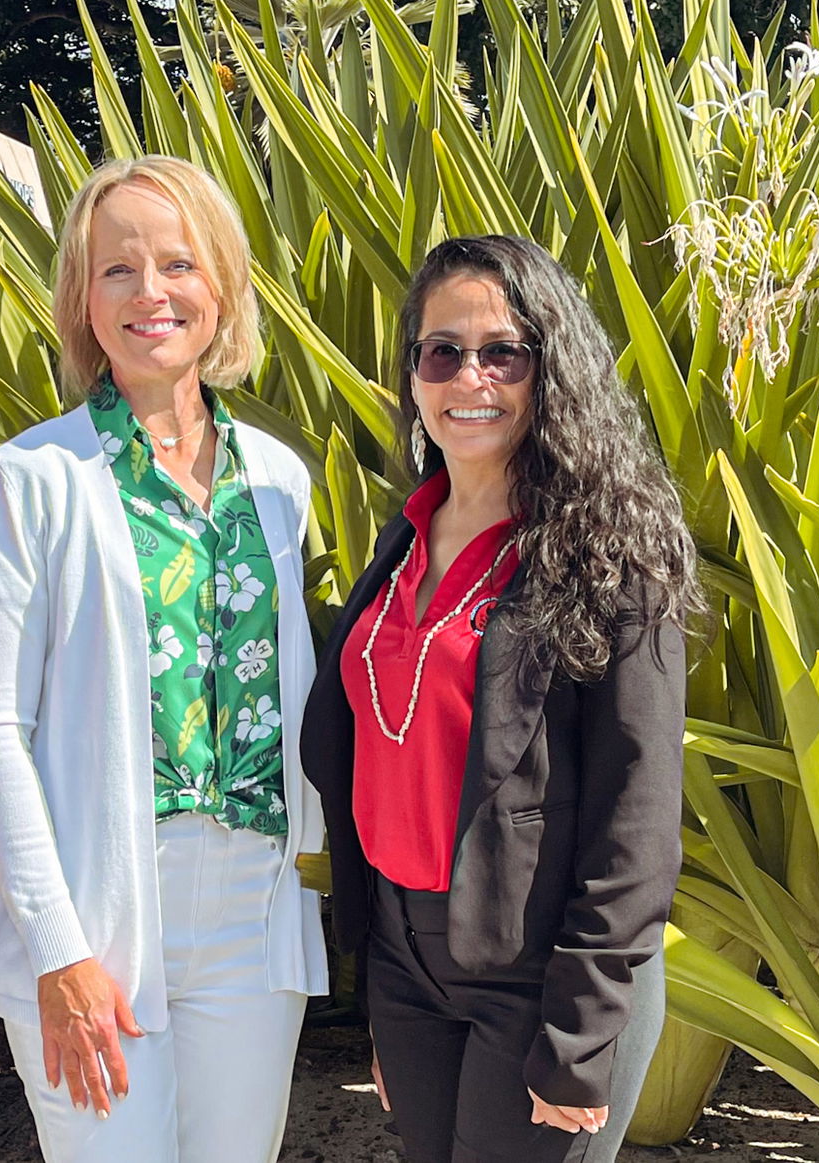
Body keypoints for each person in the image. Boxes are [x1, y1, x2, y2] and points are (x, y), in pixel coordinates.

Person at [0, 155, 328, 1162]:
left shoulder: (280, 481)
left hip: (255, 907)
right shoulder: (26, 479)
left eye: (178, 262)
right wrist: (57, 948)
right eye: (117, 269)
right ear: (81, 298)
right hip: (98, 901)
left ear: (223, 288)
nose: (150, 292)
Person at [301, 235, 703, 1163]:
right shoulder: (402, 544)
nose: (469, 376)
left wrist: (581, 1032)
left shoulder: (610, 559)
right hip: (407, 962)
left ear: (549, 370)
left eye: (502, 352)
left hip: (543, 974)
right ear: (413, 377)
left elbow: (636, 818)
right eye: (441, 351)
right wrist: (381, 979)